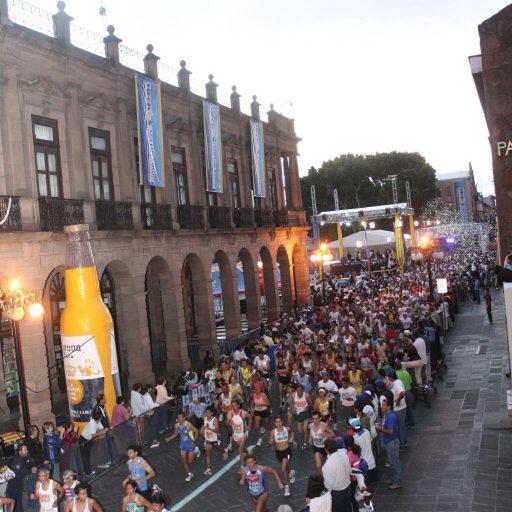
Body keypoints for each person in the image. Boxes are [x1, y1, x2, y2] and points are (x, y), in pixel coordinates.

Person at [375, 398, 402, 489]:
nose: (381, 406)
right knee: (391, 462)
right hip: (388, 442)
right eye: (381, 404)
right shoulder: (386, 415)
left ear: (389, 407)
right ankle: (393, 478)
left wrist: (380, 429)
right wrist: (381, 425)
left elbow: (390, 431)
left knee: (394, 462)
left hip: (392, 443)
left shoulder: (391, 417)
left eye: (383, 405)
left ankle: (397, 482)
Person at [164, 412, 199, 481]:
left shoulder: (188, 425)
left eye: (180, 417)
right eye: (178, 417)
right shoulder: (176, 425)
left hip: (190, 444)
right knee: (184, 461)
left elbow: (196, 431)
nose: (179, 419)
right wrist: (169, 438)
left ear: (184, 418)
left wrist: (193, 441)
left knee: (190, 461)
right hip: (183, 445)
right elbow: (175, 434)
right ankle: (189, 474)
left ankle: (196, 451)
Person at [321, 438, 353, 512]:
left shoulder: (326, 466)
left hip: (337, 493)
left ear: (326, 450)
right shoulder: (345, 457)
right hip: (348, 489)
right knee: (348, 508)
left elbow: (328, 485)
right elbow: (349, 471)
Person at [269, 416, 296, 497]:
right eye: (276, 422)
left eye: (279, 422)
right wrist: (271, 441)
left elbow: (292, 432)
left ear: (282, 422)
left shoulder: (286, 429)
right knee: (286, 466)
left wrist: (292, 440)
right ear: (275, 423)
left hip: (287, 451)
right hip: (278, 452)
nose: (278, 423)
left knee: (283, 468)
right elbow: (270, 441)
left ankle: (286, 486)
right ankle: (291, 472)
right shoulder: (273, 432)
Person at [78, 410, 109, 477]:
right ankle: (87, 473)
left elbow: (101, 428)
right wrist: (102, 432)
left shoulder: (97, 421)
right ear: (100, 417)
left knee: (88, 455)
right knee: (85, 457)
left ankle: (88, 471)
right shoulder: (92, 423)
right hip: (84, 440)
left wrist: (102, 430)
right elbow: (94, 435)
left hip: (89, 440)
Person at [7, 443, 36, 512]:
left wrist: (33, 466)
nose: (27, 451)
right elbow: (17, 473)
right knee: (16, 502)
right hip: (14, 485)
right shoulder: (15, 460)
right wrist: (30, 470)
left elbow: (32, 462)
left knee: (20, 501)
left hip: (21, 483)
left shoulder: (26, 456)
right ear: (20, 452)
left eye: (27, 449)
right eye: (25, 450)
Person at [226, 400, 252, 468]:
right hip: (235, 434)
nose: (233, 407)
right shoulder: (229, 413)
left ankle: (242, 466)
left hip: (243, 433)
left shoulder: (243, 413)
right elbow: (227, 423)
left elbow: (250, 417)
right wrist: (229, 423)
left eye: (235, 405)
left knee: (240, 449)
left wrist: (249, 426)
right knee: (243, 448)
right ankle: (249, 455)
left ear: (238, 405)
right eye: (232, 406)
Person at [201, 406, 225, 474]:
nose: (207, 414)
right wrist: (203, 431)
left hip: (215, 439)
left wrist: (208, 428)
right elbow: (204, 427)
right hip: (208, 439)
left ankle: (225, 451)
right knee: (207, 454)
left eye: (208, 413)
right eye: (206, 413)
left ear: (211, 413)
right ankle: (208, 469)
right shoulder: (205, 418)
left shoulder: (215, 420)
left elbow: (216, 430)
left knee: (219, 448)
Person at [387, 370, 407, 450]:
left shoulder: (396, 383)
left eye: (388, 377)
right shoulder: (398, 381)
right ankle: (404, 442)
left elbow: (403, 393)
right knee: (402, 426)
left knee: (400, 427)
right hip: (401, 408)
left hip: (399, 409)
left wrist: (398, 400)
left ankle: (402, 445)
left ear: (390, 377)